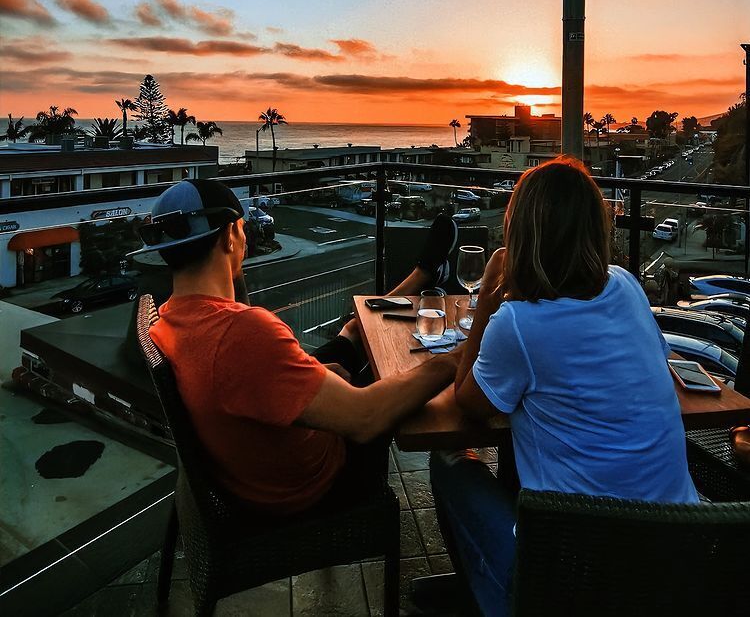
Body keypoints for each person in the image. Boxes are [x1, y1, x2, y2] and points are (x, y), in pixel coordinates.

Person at [430, 157, 699, 617]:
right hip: (679, 552)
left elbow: (468, 402)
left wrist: (491, 299)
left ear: (520, 230)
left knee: (448, 458)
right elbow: (654, 357)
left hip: (577, 573)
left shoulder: (519, 322)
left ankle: (491, 593)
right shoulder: (628, 286)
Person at [129, 177, 460, 515]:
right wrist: (455, 359)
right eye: (242, 228)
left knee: (352, 331)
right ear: (230, 235)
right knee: (393, 372)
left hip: (259, 462)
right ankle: (430, 291)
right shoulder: (241, 334)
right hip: (320, 481)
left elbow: (247, 370)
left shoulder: (170, 317)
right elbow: (366, 418)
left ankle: (423, 275)